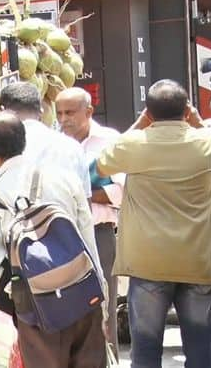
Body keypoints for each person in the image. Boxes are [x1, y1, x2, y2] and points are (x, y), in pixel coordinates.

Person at [0, 112, 106, 368]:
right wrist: (100, 294)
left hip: (38, 307)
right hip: (83, 294)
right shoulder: (65, 179)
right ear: (24, 141)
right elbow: (88, 240)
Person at [97, 79, 211, 368]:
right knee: (201, 348)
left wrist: (140, 124)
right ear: (187, 110)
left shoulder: (134, 145)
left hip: (147, 264)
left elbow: (101, 162)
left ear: (148, 113)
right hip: (197, 261)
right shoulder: (209, 142)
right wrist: (197, 123)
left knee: (146, 350)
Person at [0, 82, 91, 320]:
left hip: (21, 287)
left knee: (30, 353)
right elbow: (86, 226)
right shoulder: (71, 149)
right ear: (41, 109)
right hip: (72, 276)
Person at [0, 82, 91, 225]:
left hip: (9, 244)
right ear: (41, 112)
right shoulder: (73, 148)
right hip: (62, 243)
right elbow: (85, 212)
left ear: (1, 111)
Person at [56, 87, 124, 350]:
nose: (64, 119)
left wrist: (82, 196)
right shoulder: (54, 144)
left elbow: (121, 192)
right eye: (60, 113)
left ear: (89, 111)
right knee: (67, 312)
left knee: (103, 309)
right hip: (62, 235)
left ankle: (109, 360)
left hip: (99, 234)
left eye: (70, 112)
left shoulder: (109, 141)